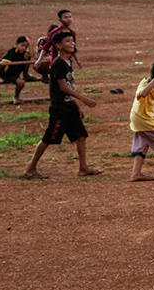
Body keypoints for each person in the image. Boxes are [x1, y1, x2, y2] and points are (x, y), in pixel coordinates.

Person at [21, 29, 103, 179]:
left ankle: (83, 168)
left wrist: (76, 106)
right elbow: (63, 87)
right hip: (60, 108)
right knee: (48, 138)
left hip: (68, 106)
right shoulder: (59, 63)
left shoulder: (68, 61)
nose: (71, 43)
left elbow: (69, 86)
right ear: (58, 45)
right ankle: (30, 168)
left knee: (81, 136)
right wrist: (84, 99)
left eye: (72, 41)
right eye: (67, 41)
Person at [0, 35, 34, 107]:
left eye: (26, 47)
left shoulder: (24, 54)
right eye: (22, 45)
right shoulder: (12, 52)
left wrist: (30, 43)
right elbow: (3, 62)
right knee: (21, 82)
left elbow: (31, 55)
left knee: (27, 60)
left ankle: (26, 75)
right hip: (7, 74)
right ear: (16, 44)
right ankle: (16, 97)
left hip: (15, 74)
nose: (24, 48)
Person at [35, 8, 74, 73]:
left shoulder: (72, 32)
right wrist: (40, 60)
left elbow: (73, 49)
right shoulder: (54, 34)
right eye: (65, 17)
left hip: (67, 60)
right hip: (57, 59)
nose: (69, 19)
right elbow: (46, 47)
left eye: (70, 17)